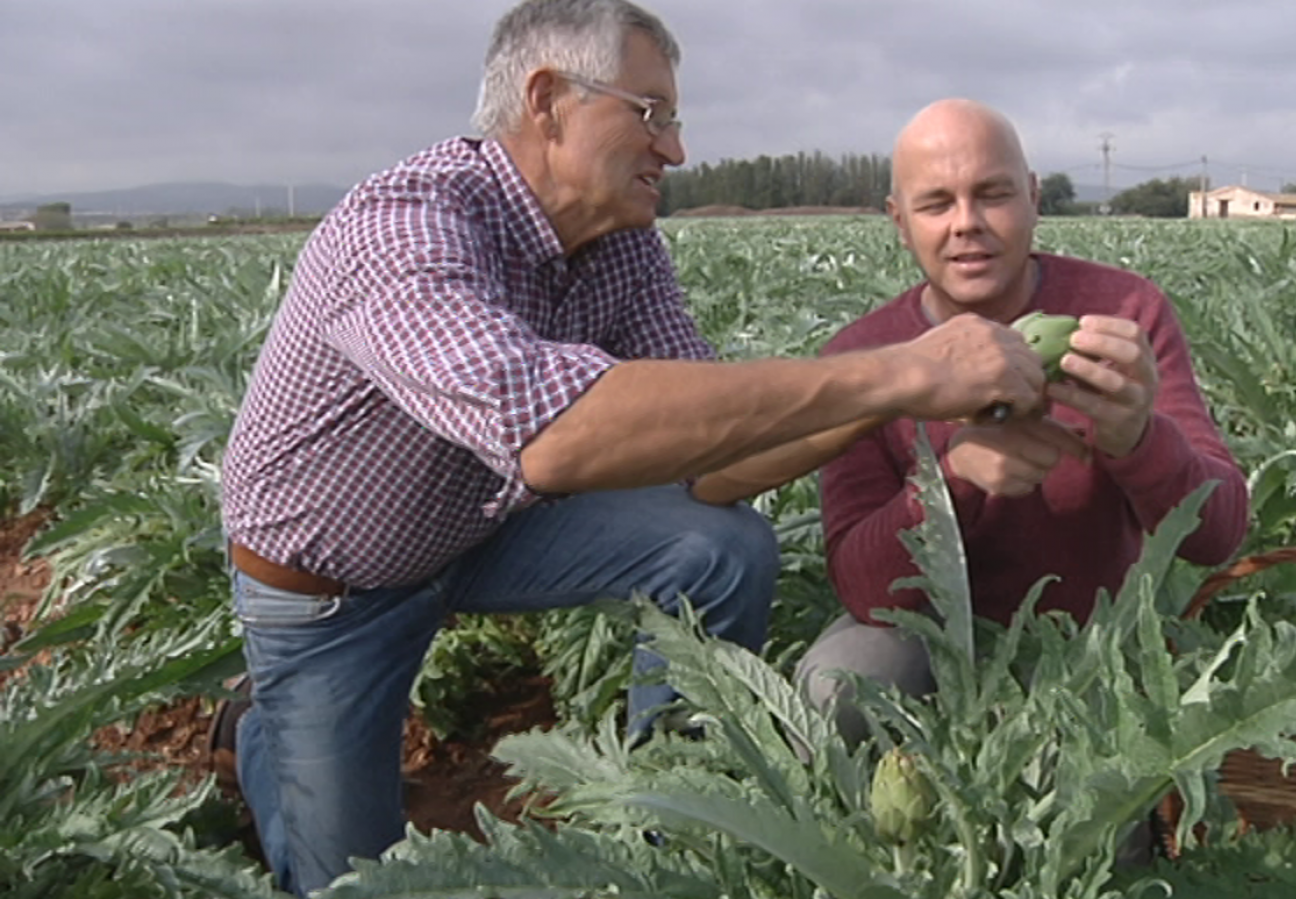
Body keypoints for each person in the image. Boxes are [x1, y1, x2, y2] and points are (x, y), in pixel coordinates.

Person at [215, 5, 1048, 895]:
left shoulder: (622, 246)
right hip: (337, 586)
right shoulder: (407, 226)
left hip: (483, 528)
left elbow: (716, 467)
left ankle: (667, 819)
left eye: (675, 119)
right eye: (651, 114)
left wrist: (893, 399)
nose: (677, 150)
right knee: (355, 881)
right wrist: (892, 377)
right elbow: (552, 439)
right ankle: (257, 738)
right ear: (548, 101)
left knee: (720, 545)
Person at [792, 98, 1251, 743]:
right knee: (843, 679)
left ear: (1034, 198)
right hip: (933, 640)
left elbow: (1218, 536)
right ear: (899, 222)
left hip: (1095, 643)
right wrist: (950, 484)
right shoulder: (862, 358)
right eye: (935, 204)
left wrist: (1139, 439)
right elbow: (865, 591)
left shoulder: (1121, 315)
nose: (966, 224)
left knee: (1106, 819)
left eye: (993, 194)